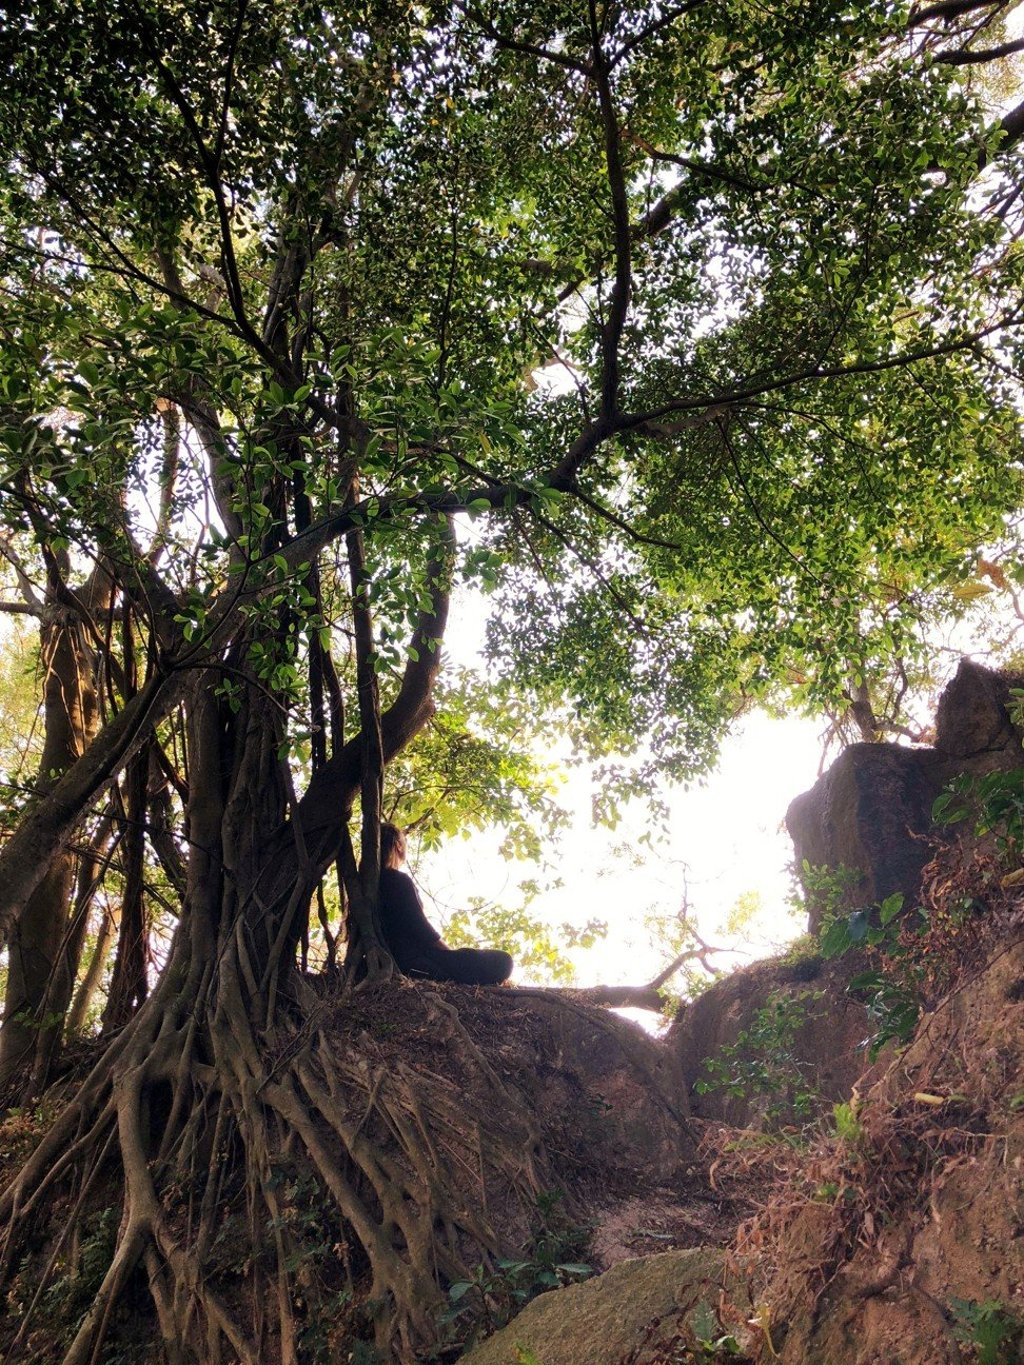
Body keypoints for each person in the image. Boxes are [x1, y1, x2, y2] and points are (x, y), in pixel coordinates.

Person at [378, 823, 514, 985]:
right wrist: (451, 956)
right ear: (398, 846)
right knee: (503, 961)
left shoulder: (364, 885)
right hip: (415, 962)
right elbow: (422, 930)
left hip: (394, 961)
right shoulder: (398, 880)